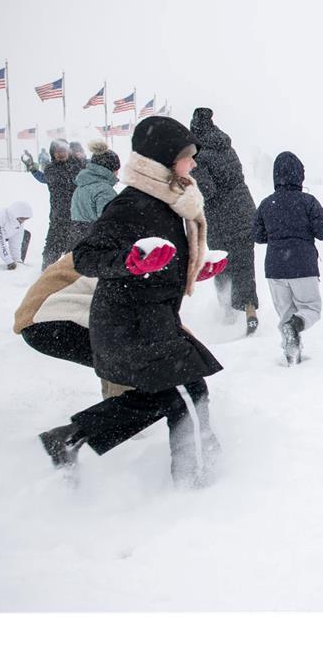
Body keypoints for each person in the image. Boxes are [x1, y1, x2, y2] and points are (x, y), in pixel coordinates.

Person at [36, 116, 230, 487]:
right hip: (130, 323)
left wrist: (193, 269)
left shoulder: (167, 202)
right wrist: (129, 263)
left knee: (164, 396)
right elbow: (86, 256)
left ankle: (68, 439)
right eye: (187, 157)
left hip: (148, 319)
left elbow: (160, 258)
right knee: (187, 393)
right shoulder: (133, 204)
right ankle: (200, 483)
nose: (193, 164)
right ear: (164, 159)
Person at [252, 151, 323, 364]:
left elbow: (258, 237)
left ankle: (292, 354)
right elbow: (322, 232)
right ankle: (295, 328)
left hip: (274, 268)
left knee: (286, 313)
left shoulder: (266, 204)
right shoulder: (308, 202)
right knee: (310, 309)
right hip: (302, 266)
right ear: (300, 175)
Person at [13, 252, 131, 400]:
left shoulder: (124, 240)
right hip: (51, 316)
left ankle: (118, 409)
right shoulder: (142, 251)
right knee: (133, 357)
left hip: (43, 317)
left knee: (123, 360)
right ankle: (119, 412)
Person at [189, 107, 260, 333]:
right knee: (244, 264)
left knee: (221, 263)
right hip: (244, 212)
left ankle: (227, 313)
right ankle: (250, 310)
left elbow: (207, 190)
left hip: (220, 218)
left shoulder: (198, 156)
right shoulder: (227, 146)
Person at [27, 139, 84, 269]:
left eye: (63, 150)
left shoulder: (79, 166)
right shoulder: (51, 169)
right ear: (53, 153)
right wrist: (33, 169)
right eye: (57, 151)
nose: (60, 153)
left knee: (76, 247)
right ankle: (46, 272)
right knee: (52, 247)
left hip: (77, 215)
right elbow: (44, 179)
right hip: (57, 216)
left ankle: (74, 274)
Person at [70, 141, 121, 237]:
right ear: (111, 169)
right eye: (117, 169)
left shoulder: (80, 186)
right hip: (97, 241)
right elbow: (109, 222)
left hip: (78, 238)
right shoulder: (104, 190)